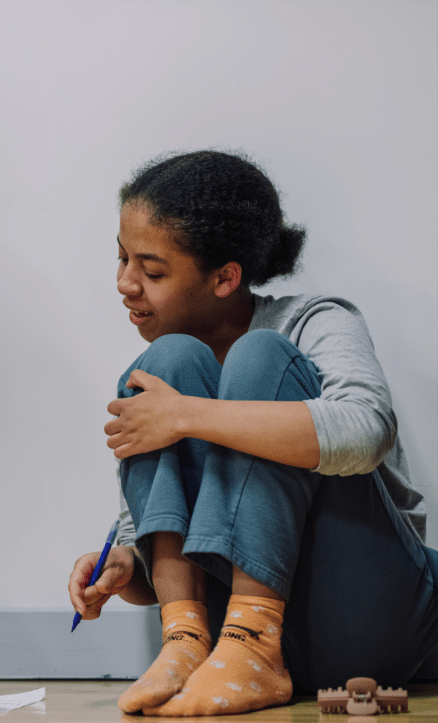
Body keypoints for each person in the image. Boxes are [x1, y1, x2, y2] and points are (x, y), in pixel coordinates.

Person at [67, 150, 438, 716]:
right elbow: (161, 531)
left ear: (226, 277)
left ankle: (251, 640)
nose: (125, 284)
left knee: (259, 358)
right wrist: (127, 566)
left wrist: (188, 415)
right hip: (233, 645)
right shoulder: (162, 381)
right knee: (165, 362)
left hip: (367, 616)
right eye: (121, 259)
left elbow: (367, 430)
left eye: (152, 270)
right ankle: (186, 641)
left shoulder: (313, 320)